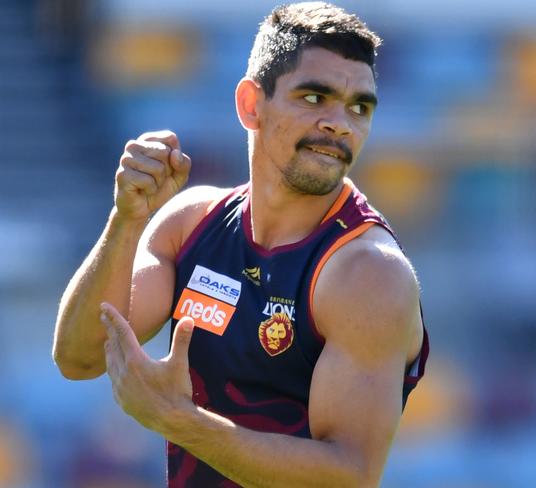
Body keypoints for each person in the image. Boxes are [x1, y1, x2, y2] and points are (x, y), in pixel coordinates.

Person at [53, 2, 429, 486]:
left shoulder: (369, 272)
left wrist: (180, 422)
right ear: (251, 104)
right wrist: (126, 220)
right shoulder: (192, 223)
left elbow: (349, 475)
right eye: (315, 97)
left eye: (360, 107)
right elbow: (79, 356)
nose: (341, 123)